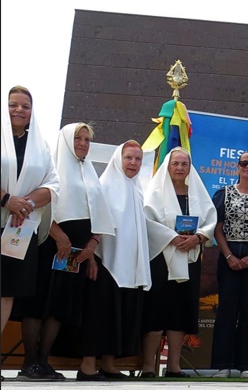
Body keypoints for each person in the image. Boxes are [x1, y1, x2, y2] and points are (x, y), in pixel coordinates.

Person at [21, 123, 116, 382]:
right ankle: (29, 363)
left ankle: (43, 361)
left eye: (87, 139)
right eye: (78, 138)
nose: (83, 143)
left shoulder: (90, 173)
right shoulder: (50, 169)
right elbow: (37, 204)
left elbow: (97, 213)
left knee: (59, 306)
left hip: (76, 252)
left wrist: (93, 244)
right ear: (65, 141)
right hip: (50, 243)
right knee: (39, 303)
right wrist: (58, 235)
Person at [141, 147, 217, 378]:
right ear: (168, 165)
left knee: (180, 311)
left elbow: (210, 218)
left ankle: (173, 366)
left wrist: (198, 237)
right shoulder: (155, 191)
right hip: (161, 258)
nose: (180, 168)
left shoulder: (197, 191)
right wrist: (171, 238)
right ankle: (147, 368)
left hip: (189, 257)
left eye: (184, 164)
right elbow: (147, 219)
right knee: (156, 311)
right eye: (176, 163)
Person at [81, 140, 152, 379]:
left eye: (138, 159)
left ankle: (109, 364)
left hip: (128, 264)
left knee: (118, 313)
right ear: (118, 160)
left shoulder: (137, 188)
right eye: (128, 158)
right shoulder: (104, 186)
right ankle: (88, 366)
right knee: (99, 314)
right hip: (105, 261)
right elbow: (94, 224)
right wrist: (91, 258)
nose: (133, 163)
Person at [1, 86, 59, 345]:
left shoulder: (41, 146)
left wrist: (25, 204)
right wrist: (6, 200)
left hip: (20, 228)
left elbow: (53, 184)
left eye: (25, 106)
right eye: (14, 104)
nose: (19, 110)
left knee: (6, 294)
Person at [210, 151, 248, 379]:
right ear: (237, 167)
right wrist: (228, 255)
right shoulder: (223, 193)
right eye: (244, 163)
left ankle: (246, 366)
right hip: (229, 255)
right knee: (226, 310)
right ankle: (222, 365)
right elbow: (217, 226)